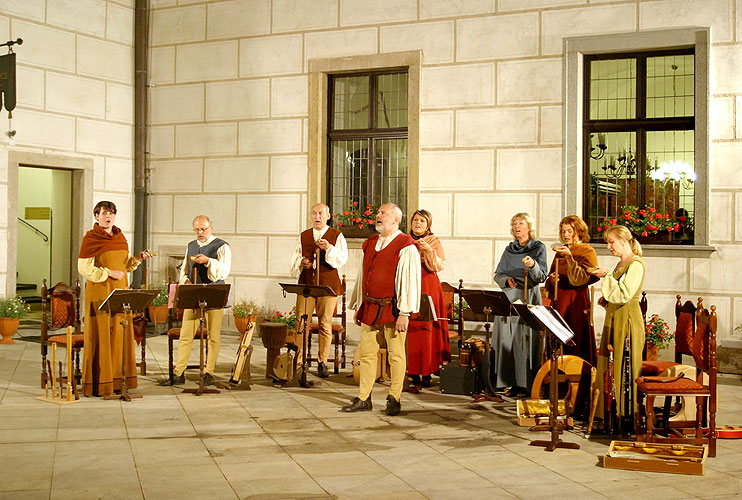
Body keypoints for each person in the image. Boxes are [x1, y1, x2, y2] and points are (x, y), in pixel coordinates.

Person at [342, 203, 421, 415]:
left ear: (396, 219)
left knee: (396, 354)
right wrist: (358, 305)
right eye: (377, 213)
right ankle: (364, 397)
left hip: (392, 309)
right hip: (370, 307)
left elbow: (409, 281)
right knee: (367, 354)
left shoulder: (406, 245)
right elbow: (363, 276)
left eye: (383, 213)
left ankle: (394, 398)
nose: (378, 215)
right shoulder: (370, 243)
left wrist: (404, 312)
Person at [78, 201, 152, 397]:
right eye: (103, 214)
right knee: (102, 335)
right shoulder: (90, 238)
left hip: (120, 294)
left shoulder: (120, 238)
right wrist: (108, 272)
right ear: (96, 216)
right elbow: (84, 268)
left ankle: (119, 381)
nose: (107, 217)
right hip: (100, 291)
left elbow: (125, 266)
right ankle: (101, 384)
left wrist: (138, 259)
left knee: (120, 335)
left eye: (111, 213)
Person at [166, 215, 232, 386]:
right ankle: (179, 372)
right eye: (196, 229)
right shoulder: (191, 245)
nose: (200, 232)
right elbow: (185, 270)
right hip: (194, 293)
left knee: (213, 335)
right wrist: (185, 281)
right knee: (186, 333)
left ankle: (209, 371)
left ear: (211, 228)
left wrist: (209, 261)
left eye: (203, 229)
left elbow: (224, 271)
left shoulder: (221, 246)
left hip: (214, 291)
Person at [591, 224, 645, 430]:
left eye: (611, 242)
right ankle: (609, 412)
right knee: (610, 364)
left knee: (626, 366)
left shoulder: (635, 264)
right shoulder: (621, 264)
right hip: (615, 315)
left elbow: (624, 293)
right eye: (607, 243)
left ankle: (627, 415)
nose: (609, 247)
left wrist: (607, 277)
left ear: (624, 241)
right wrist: (607, 299)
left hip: (628, 319)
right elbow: (616, 292)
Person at [289, 203, 348, 378]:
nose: (317, 216)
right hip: (307, 285)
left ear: (328, 215)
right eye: (314, 213)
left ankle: (323, 361)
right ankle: (299, 361)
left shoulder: (336, 235)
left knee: (325, 324)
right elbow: (295, 257)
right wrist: (302, 262)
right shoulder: (305, 235)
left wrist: (328, 248)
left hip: (327, 286)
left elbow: (341, 259)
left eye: (321, 213)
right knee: (301, 322)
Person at [493, 212, 547, 397]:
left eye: (521, 223)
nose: (517, 226)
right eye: (514, 223)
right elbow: (497, 274)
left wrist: (532, 265)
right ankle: (509, 382)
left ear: (529, 227)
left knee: (524, 340)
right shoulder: (509, 250)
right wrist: (507, 279)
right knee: (507, 340)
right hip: (509, 297)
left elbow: (541, 276)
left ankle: (527, 384)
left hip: (527, 296)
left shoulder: (538, 247)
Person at [544, 215, 599, 368]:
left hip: (576, 300)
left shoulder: (587, 251)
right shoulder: (560, 251)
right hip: (559, 298)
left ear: (579, 232)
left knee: (575, 336)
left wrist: (570, 258)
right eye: (563, 231)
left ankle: (578, 379)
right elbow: (551, 276)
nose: (566, 235)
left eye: (570, 231)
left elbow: (584, 278)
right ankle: (557, 380)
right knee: (558, 337)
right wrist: (552, 279)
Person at [406, 209, 449, 390]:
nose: (418, 223)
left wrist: (429, 252)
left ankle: (427, 371)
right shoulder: (404, 240)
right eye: (415, 220)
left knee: (427, 329)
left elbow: (440, 266)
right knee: (411, 329)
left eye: (422, 221)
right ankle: (412, 371)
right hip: (408, 285)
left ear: (428, 224)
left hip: (428, 286)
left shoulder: (434, 241)